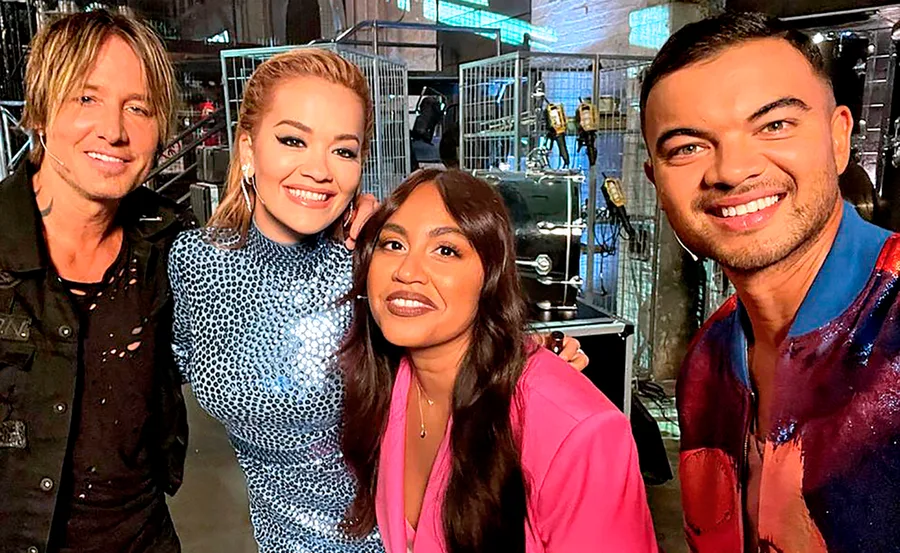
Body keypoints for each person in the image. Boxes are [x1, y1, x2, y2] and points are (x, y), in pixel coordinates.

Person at [168, 48, 592, 552]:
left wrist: (528, 358)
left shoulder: (374, 265)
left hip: (395, 538)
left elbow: (460, 333)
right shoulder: (193, 262)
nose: (320, 170)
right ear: (247, 148)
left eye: (343, 151)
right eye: (292, 140)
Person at [640, 12, 900, 552]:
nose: (732, 171)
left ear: (838, 139)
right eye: (688, 146)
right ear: (657, 181)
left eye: (774, 125)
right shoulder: (708, 364)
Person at [339, 169, 656, 553]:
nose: (406, 272)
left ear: (490, 276)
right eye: (392, 244)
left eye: (446, 250)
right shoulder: (390, 382)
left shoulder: (582, 435)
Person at [0, 10, 190, 553]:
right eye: (87, 98)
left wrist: (354, 233)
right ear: (40, 112)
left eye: (139, 107)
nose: (115, 129)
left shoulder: (171, 248)